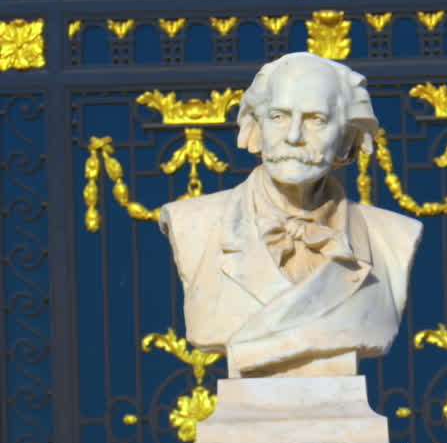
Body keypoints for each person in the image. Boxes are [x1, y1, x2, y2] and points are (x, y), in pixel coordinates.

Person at [159, 52, 422, 376]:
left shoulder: (392, 237)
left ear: (346, 140)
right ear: (256, 129)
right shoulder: (194, 224)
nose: (294, 136)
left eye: (316, 120)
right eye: (279, 117)